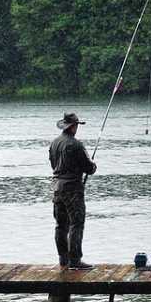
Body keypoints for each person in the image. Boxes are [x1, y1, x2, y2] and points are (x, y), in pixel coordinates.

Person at [49, 112, 97, 269]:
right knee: (76, 223)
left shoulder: (54, 143)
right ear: (74, 126)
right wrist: (93, 165)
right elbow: (89, 168)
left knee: (60, 224)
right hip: (72, 189)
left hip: (57, 188)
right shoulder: (76, 145)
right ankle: (75, 261)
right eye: (77, 125)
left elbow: (53, 165)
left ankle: (63, 259)